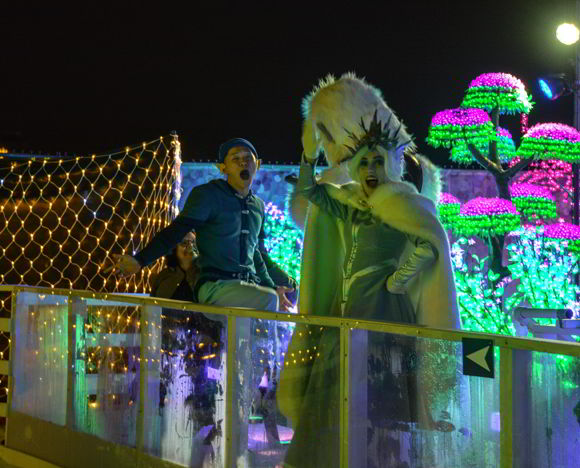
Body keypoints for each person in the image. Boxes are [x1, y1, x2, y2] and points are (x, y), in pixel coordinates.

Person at [279, 96, 459, 467]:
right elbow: (311, 192)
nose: (372, 168)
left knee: (384, 393)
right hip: (345, 310)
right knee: (338, 390)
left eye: (379, 161)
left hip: (385, 310)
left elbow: (430, 244)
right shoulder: (348, 204)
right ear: (357, 167)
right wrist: (309, 157)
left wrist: (397, 280)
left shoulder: (403, 203)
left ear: (390, 165)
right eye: (365, 162)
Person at [105, 138, 295, 311]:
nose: (243, 162)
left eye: (247, 158)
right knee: (269, 300)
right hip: (215, 286)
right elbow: (177, 231)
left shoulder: (258, 206)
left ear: (258, 164)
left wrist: (276, 286)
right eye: (235, 159)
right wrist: (140, 260)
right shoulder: (208, 195)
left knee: (280, 297)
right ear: (223, 168)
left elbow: (258, 255)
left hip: (247, 288)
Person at [150, 231, 198, 301]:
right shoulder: (164, 276)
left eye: (193, 242)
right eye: (184, 243)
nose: (190, 246)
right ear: (174, 249)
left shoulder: (205, 275)